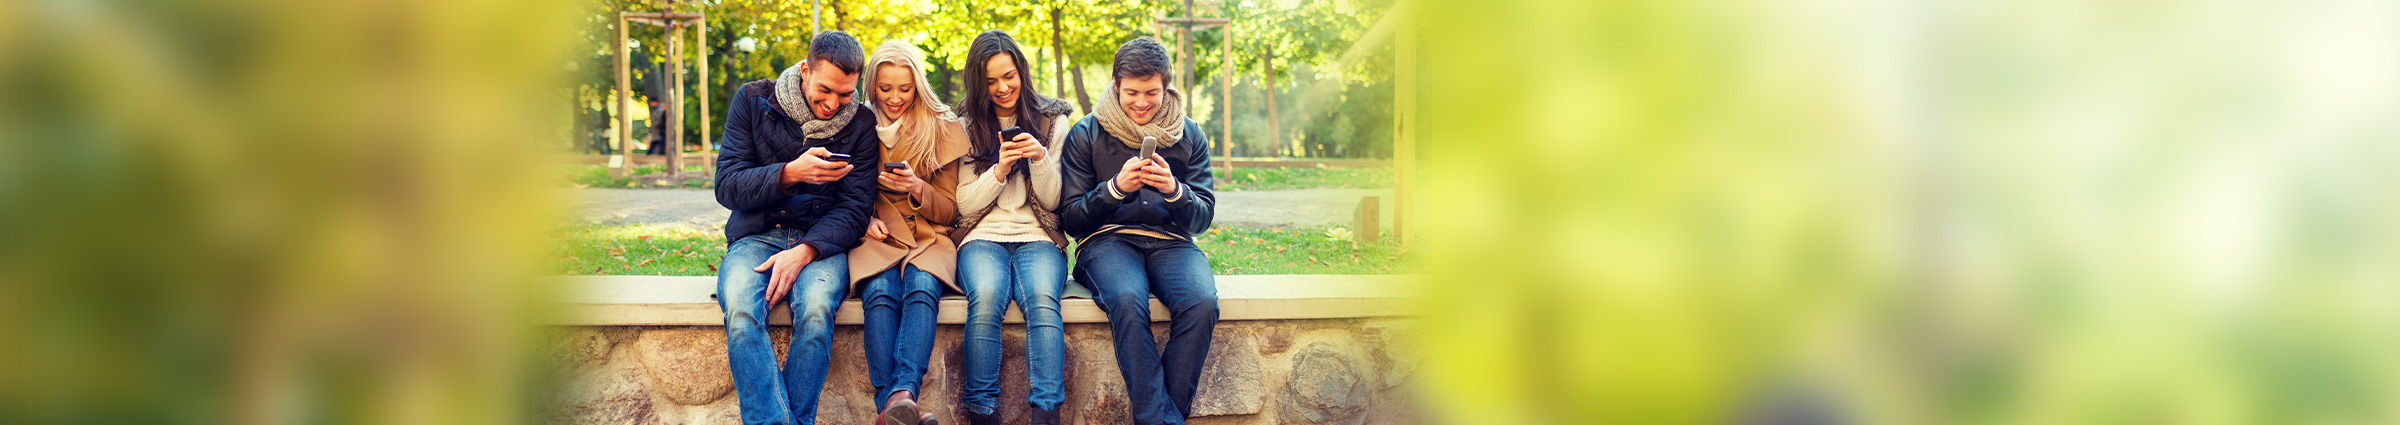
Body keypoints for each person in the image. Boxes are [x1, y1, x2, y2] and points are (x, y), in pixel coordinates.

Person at [710, 31, 878, 425]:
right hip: (756, 235)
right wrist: (788, 173)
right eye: (826, 90)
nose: (834, 104)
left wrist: (805, 252)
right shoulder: (753, 101)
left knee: (817, 311)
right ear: (805, 70)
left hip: (821, 243)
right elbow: (727, 185)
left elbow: (855, 210)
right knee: (739, 307)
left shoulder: (861, 123)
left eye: (846, 94)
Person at [1055, 36, 1218, 425]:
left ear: (1167, 87)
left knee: (1201, 303)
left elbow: (1202, 218)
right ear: (1115, 86)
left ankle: (1159, 419)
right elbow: (1071, 219)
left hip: (1172, 243)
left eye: (1151, 92)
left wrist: (1174, 191)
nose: (1142, 102)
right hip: (1106, 242)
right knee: (1127, 299)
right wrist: (1114, 190)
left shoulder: (1189, 134)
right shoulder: (1086, 133)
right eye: (1132, 92)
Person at [949, 30, 1078, 425]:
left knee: (1042, 298)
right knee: (986, 296)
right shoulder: (966, 124)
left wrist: (1039, 158)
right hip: (982, 236)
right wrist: (1000, 170)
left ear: (1021, 71)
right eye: (990, 81)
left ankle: (1046, 412)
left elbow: (1055, 202)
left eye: (1009, 76)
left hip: (1038, 236)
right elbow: (964, 202)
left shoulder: (1053, 120)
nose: (1003, 88)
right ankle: (982, 410)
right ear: (978, 83)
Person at [847, 40, 967, 425]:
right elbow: (837, 191)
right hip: (875, 235)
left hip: (927, 235)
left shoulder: (942, 125)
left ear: (918, 85)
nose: (895, 98)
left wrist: (917, 187)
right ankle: (897, 405)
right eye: (885, 88)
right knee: (879, 291)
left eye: (905, 88)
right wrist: (863, 218)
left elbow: (951, 209)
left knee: (921, 286)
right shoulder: (855, 123)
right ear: (871, 86)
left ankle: (898, 398)